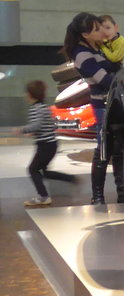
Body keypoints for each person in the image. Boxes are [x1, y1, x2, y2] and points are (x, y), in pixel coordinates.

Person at [63, 11, 124, 205]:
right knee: (105, 148)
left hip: (110, 104)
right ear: (85, 35)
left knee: (115, 149)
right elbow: (104, 80)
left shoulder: (95, 49)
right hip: (102, 105)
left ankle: (121, 193)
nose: (101, 32)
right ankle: (97, 195)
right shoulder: (82, 54)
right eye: (97, 30)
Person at [21, 79, 75, 207]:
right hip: (49, 145)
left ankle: (43, 197)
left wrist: (22, 130)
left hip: (45, 146)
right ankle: (71, 179)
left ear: (30, 94)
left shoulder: (36, 109)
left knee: (32, 169)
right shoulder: (44, 108)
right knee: (44, 172)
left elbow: (36, 125)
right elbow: (47, 125)